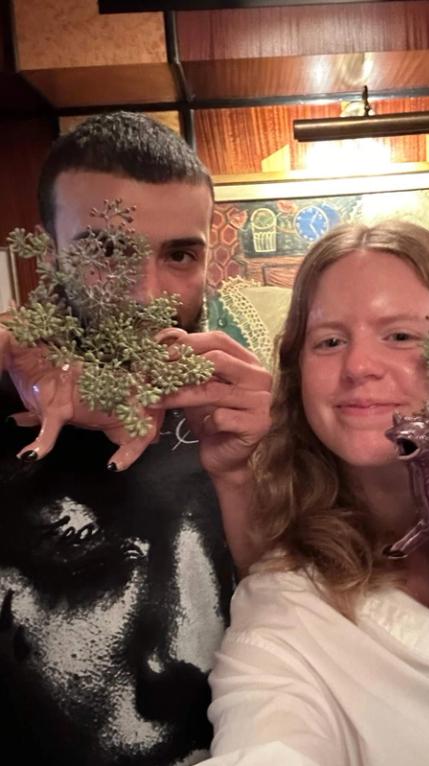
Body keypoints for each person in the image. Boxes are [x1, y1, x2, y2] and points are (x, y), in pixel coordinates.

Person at [205, 221, 429, 765]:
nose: (358, 367)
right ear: (297, 374)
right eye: (329, 341)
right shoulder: (285, 613)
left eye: (401, 336)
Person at [0, 111, 270, 766]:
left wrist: (262, 468)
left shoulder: (244, 417)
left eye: (179, 255)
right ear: (49, 253)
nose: (147, 296)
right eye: (105, 253)